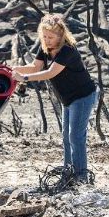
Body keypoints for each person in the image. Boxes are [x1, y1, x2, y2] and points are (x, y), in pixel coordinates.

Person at [12, 13, 98, 183]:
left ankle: (81, 177)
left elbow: (50, 73)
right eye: (44, 36)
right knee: (66, 136)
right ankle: (68, 174)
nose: (47, 40)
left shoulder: (68, 50)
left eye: (51, 37)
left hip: (82, 96)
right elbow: (35, 66)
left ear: (60, 35)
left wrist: (24, 79)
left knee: (75, 136)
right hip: (67, 98)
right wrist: (13, 69)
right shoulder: (45, 49)